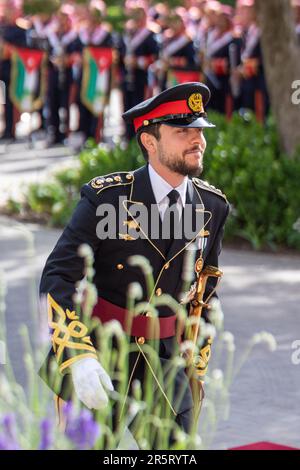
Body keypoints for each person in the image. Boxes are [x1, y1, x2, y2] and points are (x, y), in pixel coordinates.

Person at [39, 82, 229, 448]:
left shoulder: (212, 207)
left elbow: (206, 293)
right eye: (182, 131)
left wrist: (195, 364)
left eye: (199, 131)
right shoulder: (106, 198)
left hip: (167, 362)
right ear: (150, 142)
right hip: (101, 355)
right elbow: (58, 276)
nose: (197, 140)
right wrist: (78, 357)